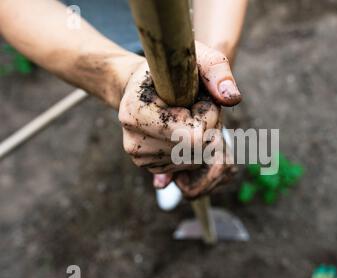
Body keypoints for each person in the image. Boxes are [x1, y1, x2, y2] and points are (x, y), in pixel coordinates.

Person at [0, 0, 248, 204]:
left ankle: (183, 135)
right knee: (147, 96)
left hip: (182, 17)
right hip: (77, 27)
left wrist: (210, 69)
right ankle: (158, 136)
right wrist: (115, 76)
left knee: (183, 118)